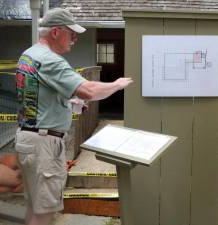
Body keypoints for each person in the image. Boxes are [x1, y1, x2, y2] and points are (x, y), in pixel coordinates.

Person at [14, 8, 132, 225]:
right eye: (72, 34)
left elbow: (35, 94)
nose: (75, 40)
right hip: (44, 145)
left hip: (27, 139)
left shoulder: (29, 55)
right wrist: (117, 85)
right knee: (44, 213)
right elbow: (89, 90)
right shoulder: (51, 60)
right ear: (56, 32)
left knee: (35, 207)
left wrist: (67, 102)